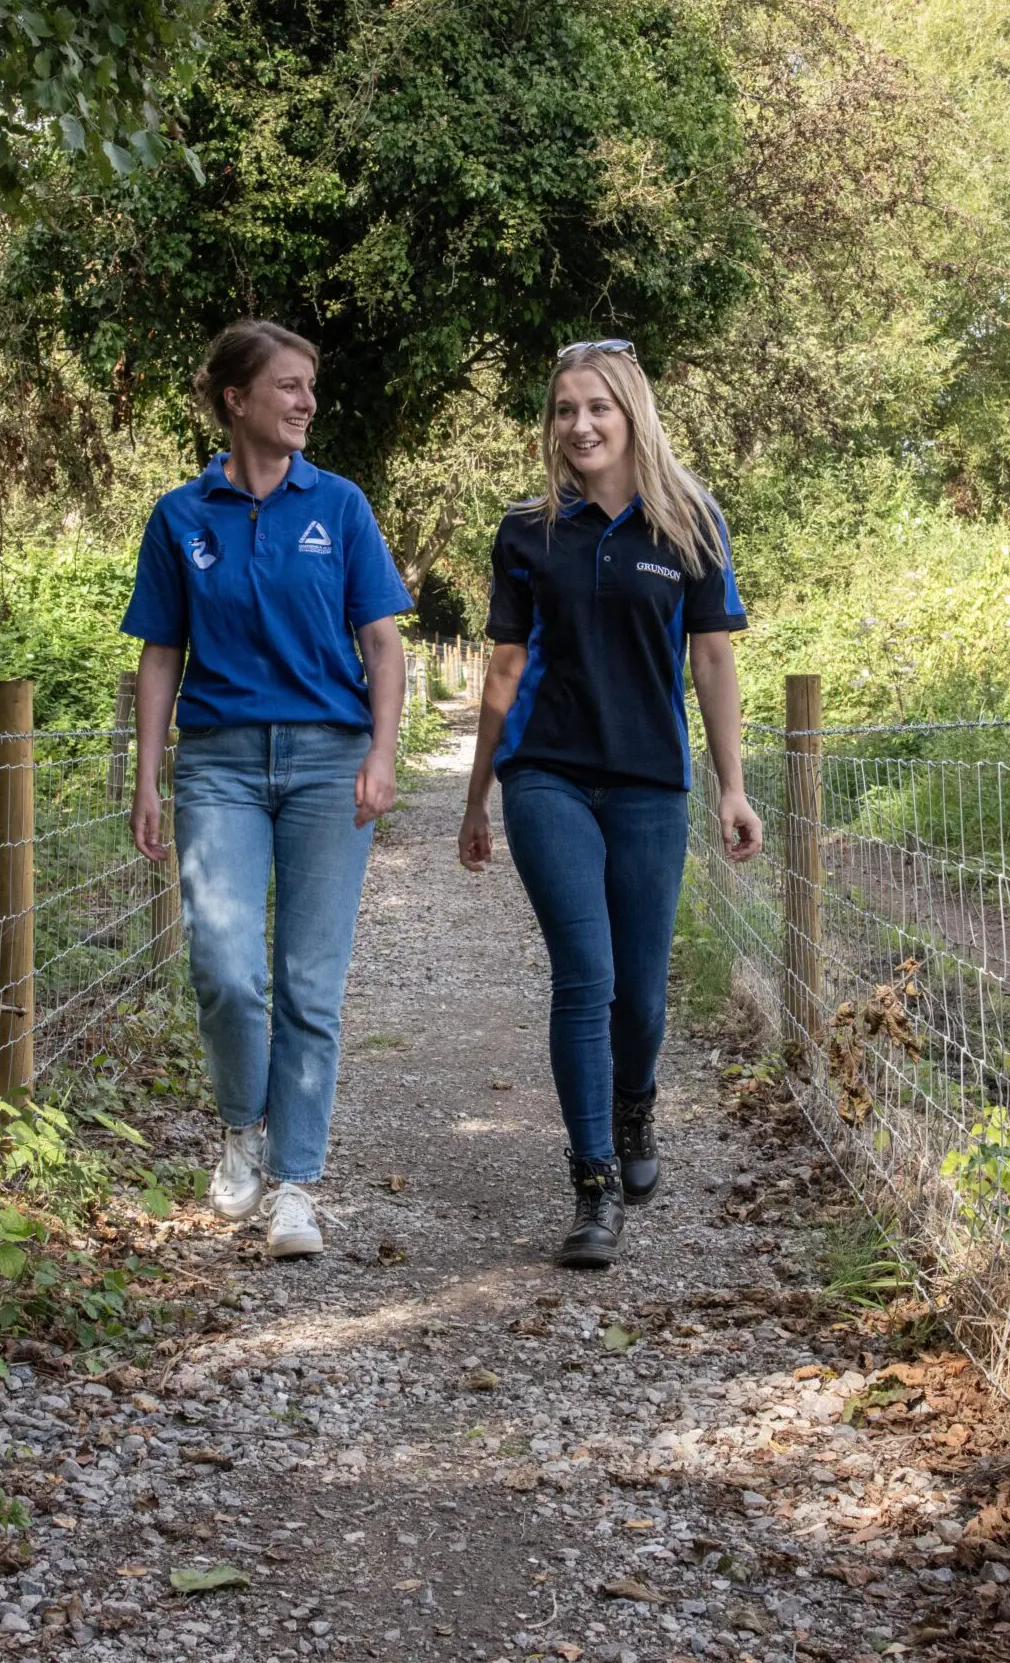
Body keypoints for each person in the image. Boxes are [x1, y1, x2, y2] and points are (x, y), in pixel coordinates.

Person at [458, 339, 764, 1268]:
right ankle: (592, 1184)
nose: (579, 425)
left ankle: (636, 1102)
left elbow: (712, 657)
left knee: (641, 995)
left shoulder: (691, 523)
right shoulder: (525, 529)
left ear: (631, 414)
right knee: (584, 977)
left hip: (648, 784)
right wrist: (477, 795)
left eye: (597, 407)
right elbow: (505, 667)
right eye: (563, 409)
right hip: (544, 774)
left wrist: (732, 787)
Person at [126, 320, 414, 1259]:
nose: (306, 404)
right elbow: (161, 651)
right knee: (225, 967)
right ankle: (241, 1129)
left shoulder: (341, 503)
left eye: (311, 389)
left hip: (332, 758)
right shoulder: (181, 516)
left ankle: (294, 1183)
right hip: (220, 762)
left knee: (309, 982)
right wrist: (148, 774)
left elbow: (382, 642)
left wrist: (383, 751)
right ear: (235, 398)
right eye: (288, 387)